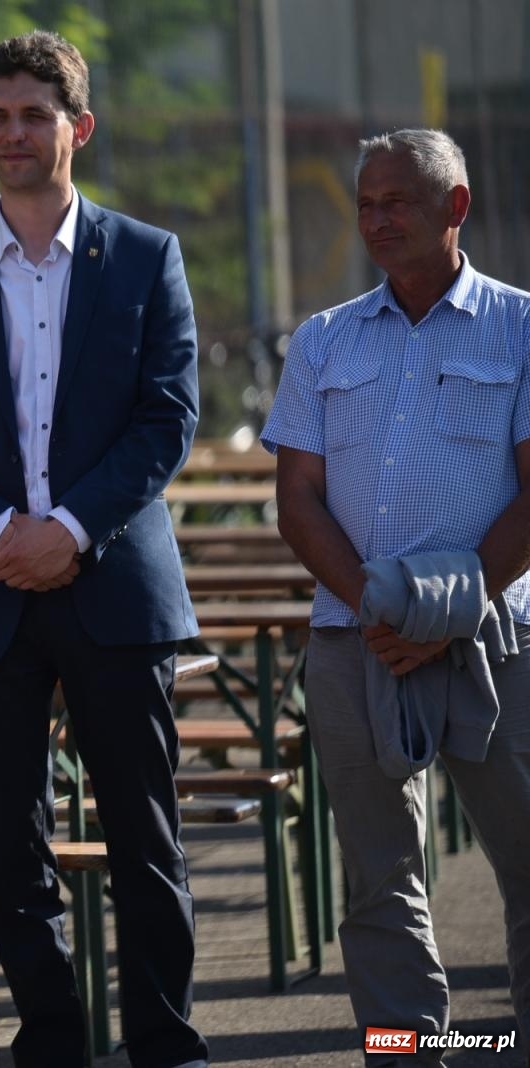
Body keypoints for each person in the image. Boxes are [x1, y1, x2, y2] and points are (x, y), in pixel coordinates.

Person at [0, 30, 209, 1068]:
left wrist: (69, 530)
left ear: (78, 126)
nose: (13, 133)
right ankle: (51, 1044)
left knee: (145, 843)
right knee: (9, 854)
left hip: (113, 586)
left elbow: (167, 418)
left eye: (34, 115)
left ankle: (165, 1047)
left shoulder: (146, 256)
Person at [263, 128, 530, 1062]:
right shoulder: (323, 339)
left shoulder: (521, 326)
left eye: (397, 203)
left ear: (456, 207)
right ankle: (403, 1051)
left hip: (493, 642)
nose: (376, 220)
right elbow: (296, 501)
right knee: (378, 885)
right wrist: (384, 610)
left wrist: (443, 614)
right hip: (355, 644)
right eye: (366, 204)